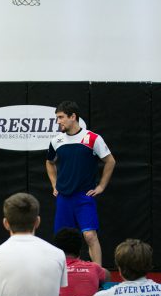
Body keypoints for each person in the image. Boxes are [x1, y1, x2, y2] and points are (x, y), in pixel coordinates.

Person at [45, 101, 116, 266]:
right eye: (57, 118)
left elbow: (110, 161)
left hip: (84, 197)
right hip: (64, 198)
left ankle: (97, 276)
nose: (58, 122)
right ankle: (64, 276)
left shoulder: (92, 138)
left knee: (90, 236)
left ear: (73, 116)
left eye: (61, 117)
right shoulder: (56, 141)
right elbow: (49, 162)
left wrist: (101, 186)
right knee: (63, 240)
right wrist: (54, 184)